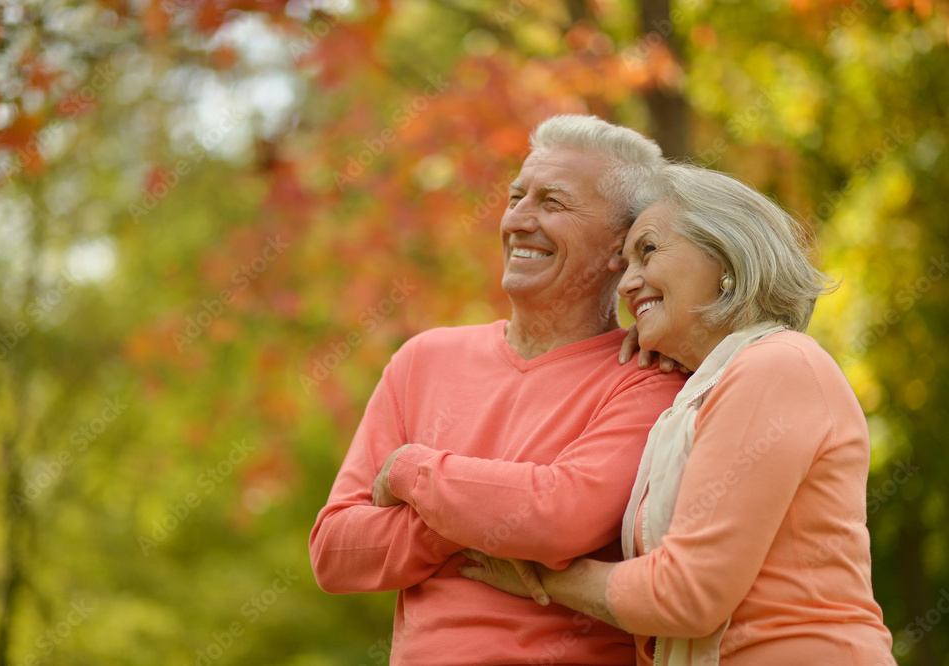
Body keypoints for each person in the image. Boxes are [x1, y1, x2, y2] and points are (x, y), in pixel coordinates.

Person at [459, 163, 896, 665]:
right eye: (623, 265)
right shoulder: (708, 388)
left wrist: (543, 576)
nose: (626, 284)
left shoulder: (776, 366)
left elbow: (687, 595)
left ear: (725, 253)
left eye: (647, 251)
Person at [309, 115, 688, 665]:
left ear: (618, 247)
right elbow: (336, 552)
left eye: (553, 203)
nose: (519, 219)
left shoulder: (649, 377)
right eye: (517, 196)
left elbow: (560, 518)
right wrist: (478, 525)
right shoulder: (422, 360)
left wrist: (414, 471)